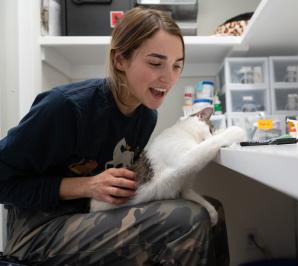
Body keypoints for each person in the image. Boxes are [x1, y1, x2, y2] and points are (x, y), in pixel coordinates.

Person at [0, 7, 229, 266]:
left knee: (213, 210)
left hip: (91, 214)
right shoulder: (65, 107)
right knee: (189, 217)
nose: (168, 77)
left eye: (177, 66)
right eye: (155, 63)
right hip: (37, 232)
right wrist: (85, 185)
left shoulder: (145, 117)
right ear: (120, 60)